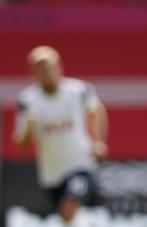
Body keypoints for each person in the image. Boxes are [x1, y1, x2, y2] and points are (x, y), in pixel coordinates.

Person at [13, 46, 108, 224]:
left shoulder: (79, 91)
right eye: (40, 70)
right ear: (33, 73)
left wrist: (98, 142)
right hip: (51, 172)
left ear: (59, 68)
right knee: (66, 219)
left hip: (80, 164)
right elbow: (21, 143)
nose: (46, 74)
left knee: (68, 209)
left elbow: (96, 111)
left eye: (49, 68)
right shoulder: (27, 100)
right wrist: (28, 127)